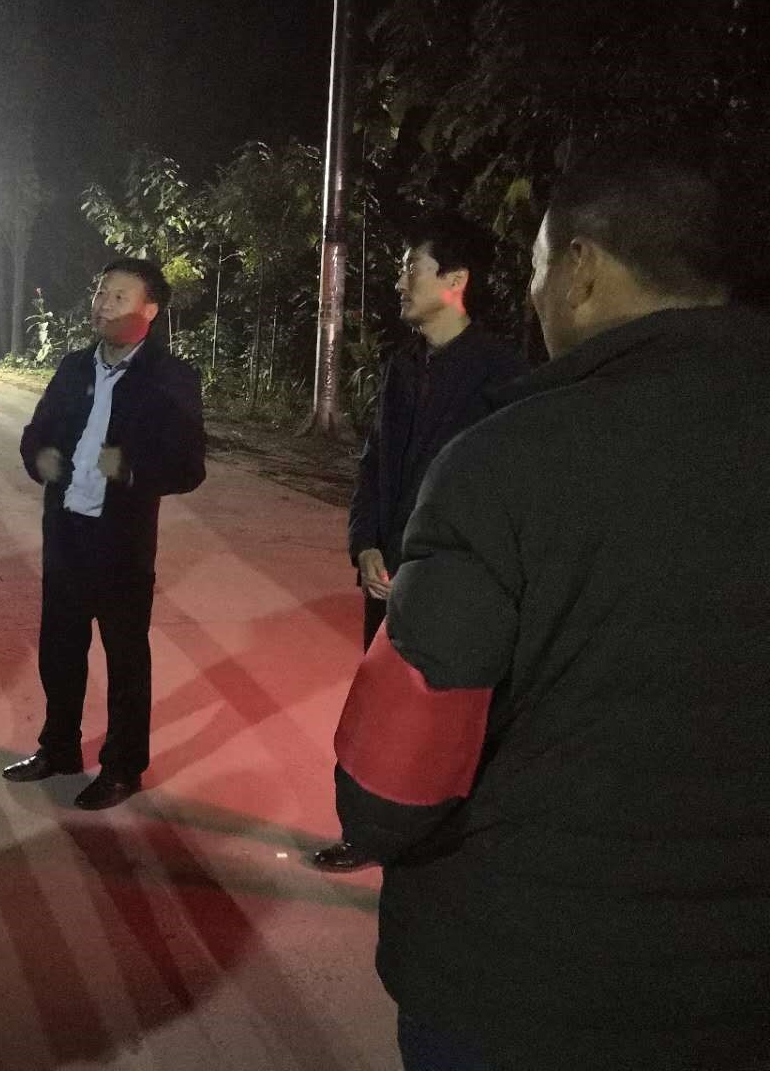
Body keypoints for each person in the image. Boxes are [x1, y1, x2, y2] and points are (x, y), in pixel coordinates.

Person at [332, 150, 770, 1069]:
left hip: (520, 977)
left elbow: (396, 776)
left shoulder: (509, 455)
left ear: (582, 268)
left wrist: (373, 830)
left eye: (536, 268)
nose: (534, 294)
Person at [313, 213, 526, 873]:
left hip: (453, 582)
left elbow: (506, 493)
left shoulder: (502, 375)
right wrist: (365, 545)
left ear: (455, 280)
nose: (400, 280)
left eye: (412, 268)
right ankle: (368, 833)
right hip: (386, 573)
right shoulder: (401, 366)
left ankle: (450, 846)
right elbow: (375, 465)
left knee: (452, 716)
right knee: (378, 708)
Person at [4, 258, 205, 810]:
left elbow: (189, 467)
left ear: (150, 310)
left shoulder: (170, 378)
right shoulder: (74, 368)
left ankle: (122, 767)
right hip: (66, 532)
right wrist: (40, 457)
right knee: (59, 649)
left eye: (119, 296)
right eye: (101, 293)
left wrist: (132, 471)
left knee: (125, 658)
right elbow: (36, 433)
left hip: (122, 543)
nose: (103, 304)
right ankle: (59, 748)